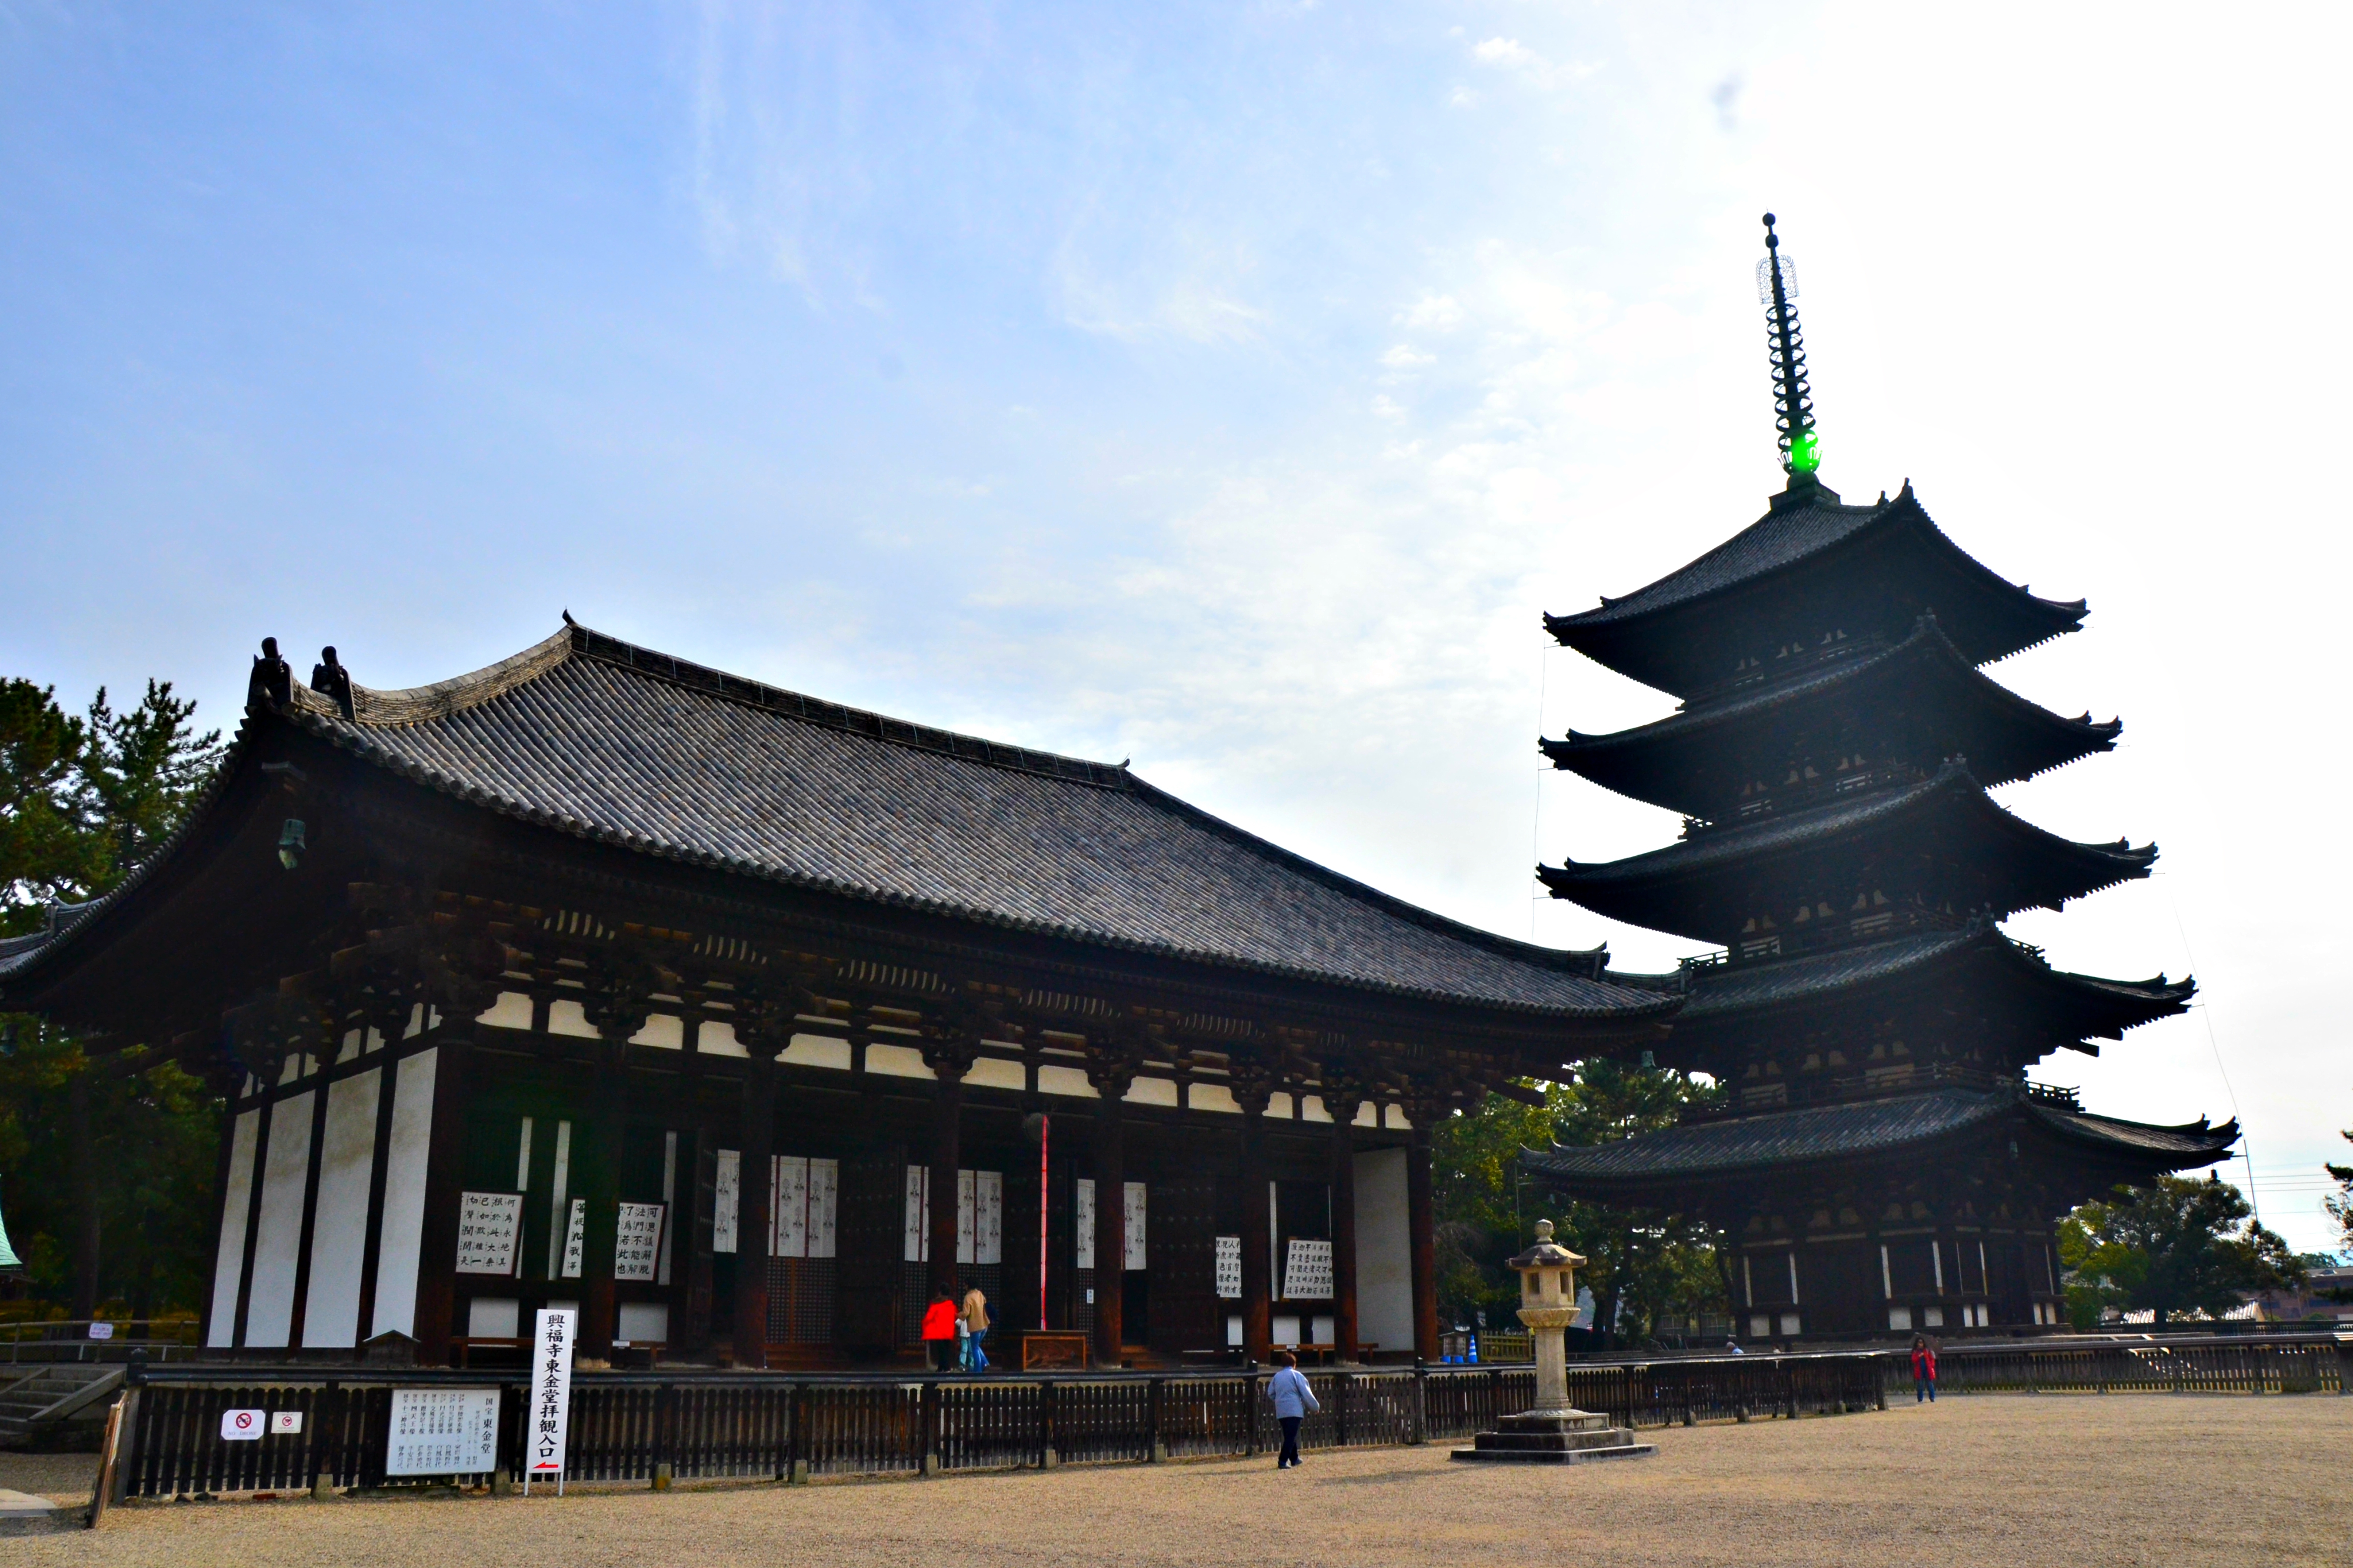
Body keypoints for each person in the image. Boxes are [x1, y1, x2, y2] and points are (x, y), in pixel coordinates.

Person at [1267, 1349, 1319, 1469]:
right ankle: (1283, 1460)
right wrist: (1315, 1407)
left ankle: (1294, 1458)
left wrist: (1280, 1399)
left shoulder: (1277, 1376)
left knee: (1290, 1435)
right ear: (1294, 1364)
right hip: (1294, 1410)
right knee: (1291, 1436)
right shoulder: (1297, 1375)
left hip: (1281, 1410)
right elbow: (1306, 1393)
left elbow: (1270, 1393)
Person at [921, 1288, 960, 1373]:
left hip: (939, 1331)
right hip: (949, 1331)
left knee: (941, 1351)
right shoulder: (952, 1306)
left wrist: (923, 1323)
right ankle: (941, 1368)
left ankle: (946, 1368)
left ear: (940, 1293)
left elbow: (929, 1318)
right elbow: (956, 1316)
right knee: (945, 1350)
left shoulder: (936, 1305)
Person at [962, 1284, 991, 1373]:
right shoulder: (980, 1294)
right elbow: (985, 1303)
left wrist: (958, 1315)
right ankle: (985, 1363)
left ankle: (978, 1370)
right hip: (984, 1324)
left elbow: (966, 1313)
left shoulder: (968, 1297)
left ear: (967, 1285)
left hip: (975, 1326)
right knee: (976, 1346)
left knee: (974, 1347)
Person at [1911, 1335, 1937, 1403]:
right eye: (1919, 1342)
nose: (1920, 1344)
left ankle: (1932, 1397)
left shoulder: (1928, 1350)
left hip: (1927, 1369)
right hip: (1920, 1370)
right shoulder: (1915, 1352)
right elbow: (1913, 1360)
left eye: (1921, 1342)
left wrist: (1931, 1366)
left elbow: (1932, 1359)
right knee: (1920, 1385)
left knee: (1930, 1384)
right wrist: (1919, 1356)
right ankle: (1920, 1399)